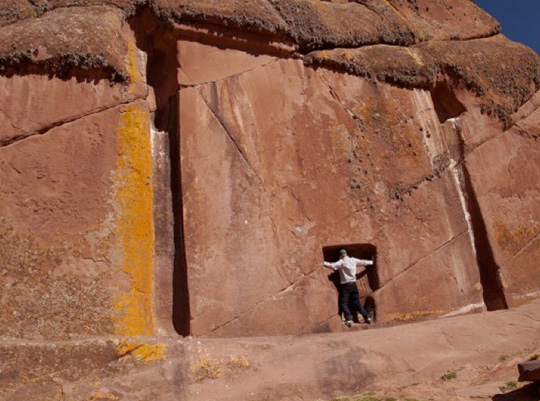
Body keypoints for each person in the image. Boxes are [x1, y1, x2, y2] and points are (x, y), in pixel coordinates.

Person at [324, 248, 373, 326]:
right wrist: (372, 261)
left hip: (346, 285)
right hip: (353, 284)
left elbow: (331, 265)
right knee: (356, 303)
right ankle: (367, 317)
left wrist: (322, 262)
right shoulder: (353, 260)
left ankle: (349, 319)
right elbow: (363, 262)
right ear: (346, 254)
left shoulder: (341, 262)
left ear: (340, 255)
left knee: (343, 303)